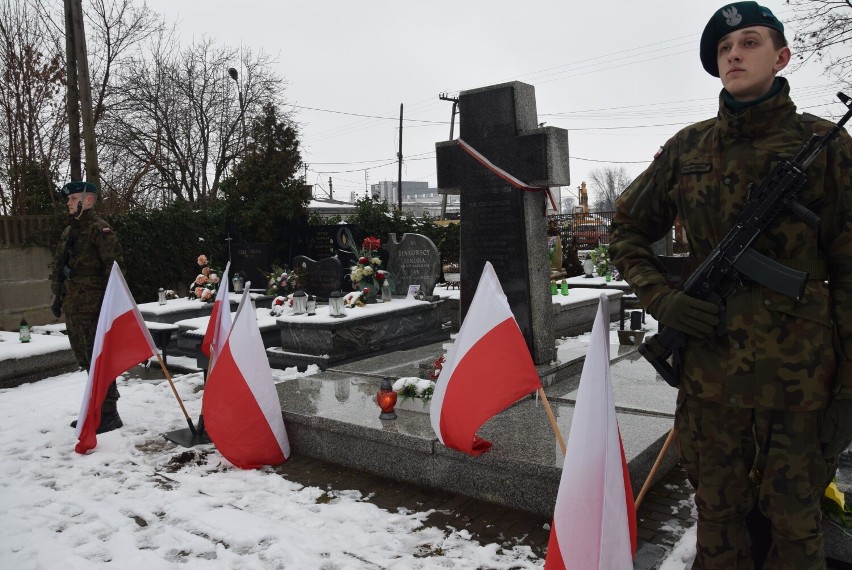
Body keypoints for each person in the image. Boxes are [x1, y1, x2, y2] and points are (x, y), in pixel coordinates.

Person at [609, 3, 852, 568]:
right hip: (710, 375)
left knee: (795, 520)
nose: (735, 54)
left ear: (782, 55)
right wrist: (660, 297)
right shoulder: (688, 149)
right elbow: (627, 230)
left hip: (802, 379)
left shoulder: (827, 146)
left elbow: (850, 268)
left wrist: (848, 385)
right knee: (716, 516)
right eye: (725, 49)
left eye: (749, 42)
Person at [51, 181, 125, 433]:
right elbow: (60, 268)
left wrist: (109, 305)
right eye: (68, 200)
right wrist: (58, 298)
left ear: (88, 201)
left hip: (94, 306)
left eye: (72, 199)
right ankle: (97, 406)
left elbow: (114, 270)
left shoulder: (100, 230)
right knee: (85, 358)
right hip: (74, 304)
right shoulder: (70, 232)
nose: (68, 204)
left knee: (99, 358)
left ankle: (109, 412)